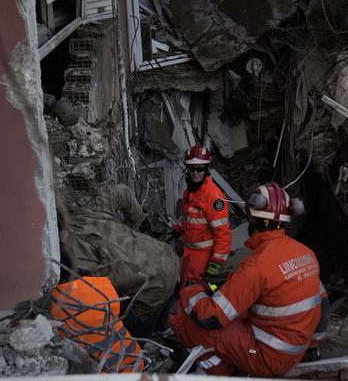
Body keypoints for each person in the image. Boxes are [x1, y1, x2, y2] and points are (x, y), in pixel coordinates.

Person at [168, 182, 328, 376]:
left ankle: (221, 373)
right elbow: (323, 303)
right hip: (295, 349)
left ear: (253, 221)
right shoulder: (305, 253)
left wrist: (191, 290)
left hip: (269, 359)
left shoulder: (256, 266)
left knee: (182, 316)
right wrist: (311, 347)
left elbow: (211, 317)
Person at [60, 183, 180, 335]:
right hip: (166, 254)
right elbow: (122, 191)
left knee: (133, 326)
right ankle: (165, 318)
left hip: (156, 283)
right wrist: (132, 225)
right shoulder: (86, 214)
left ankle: (153, 333)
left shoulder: (82, 263)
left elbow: (102, 291)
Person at [173, 145, 232, 285]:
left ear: (206, 169)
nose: (195, 172)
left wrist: (217, 262)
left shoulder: (213, 197)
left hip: (203, 256)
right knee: (184, 287)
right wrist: (177, 229)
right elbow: (190, 217)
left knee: (193, 292)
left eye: (199, 169)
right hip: (189, 251)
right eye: (192, 169)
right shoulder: (190, 192)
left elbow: (223, 233)